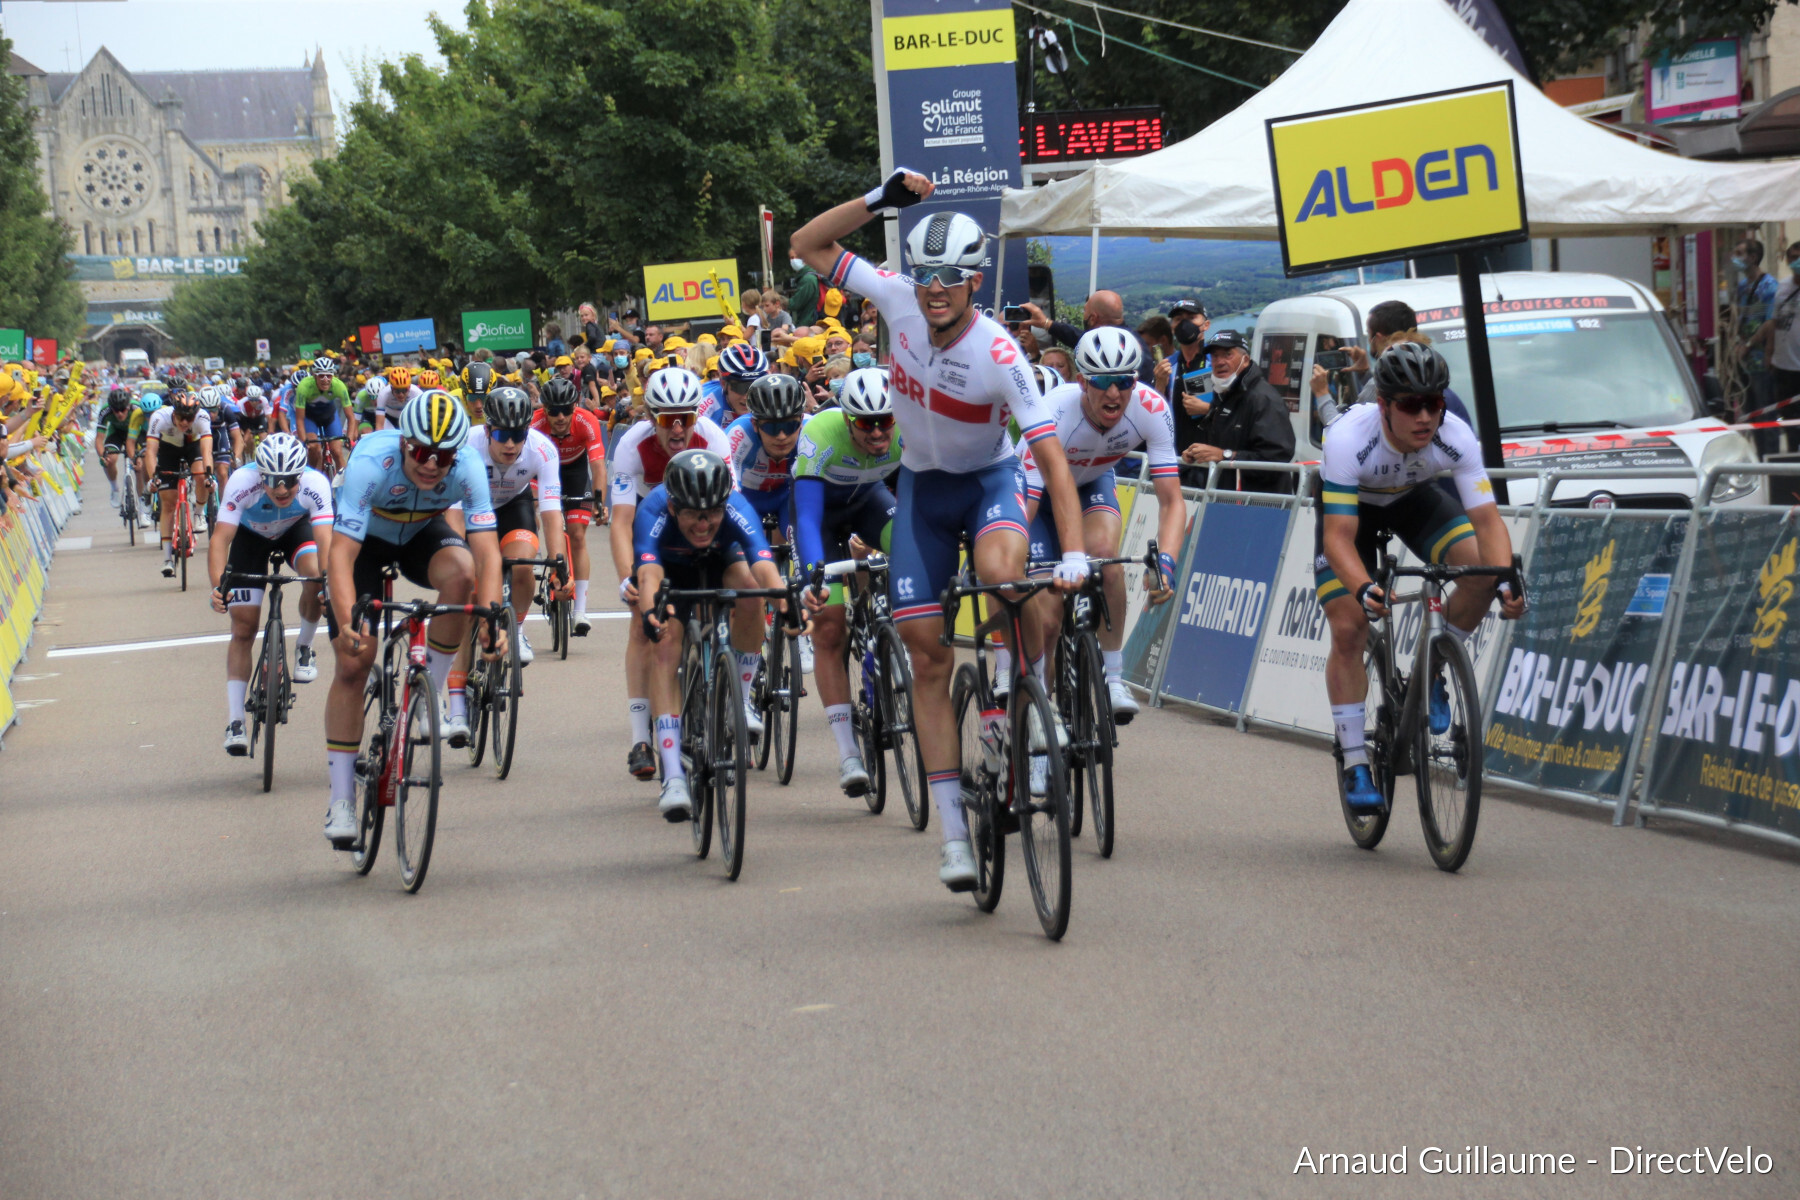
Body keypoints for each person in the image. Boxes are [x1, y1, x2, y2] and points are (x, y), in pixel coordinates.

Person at [791, 169, 1089, 893]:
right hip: (921, 492)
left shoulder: (999, 354)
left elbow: (1050, 459)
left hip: (988, 485)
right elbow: (805, 243)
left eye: (951, 278)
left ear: (976, 282)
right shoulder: (893, 298)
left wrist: (1076, 550)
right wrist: (878, 200)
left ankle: (1029, 700)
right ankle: (954, 832)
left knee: (1006, 580)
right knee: (926, 658)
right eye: (925, 276)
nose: (934, 289)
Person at [1316, 343, 1525, 810]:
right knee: (1349, 626)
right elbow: (1338, 538)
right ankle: (1354, 762)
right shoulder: (1349, 438)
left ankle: (1430, 672)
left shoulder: (1455, 434)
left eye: (1435, 402)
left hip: (1414, 498)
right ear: (1384, 405)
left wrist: (1506, 578)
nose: (1426, 416)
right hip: (1354, 512)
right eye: (1411, 405)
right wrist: (1363, 587)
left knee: (1481, 574)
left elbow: (1488, 522)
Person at [324, 389, 505, 844]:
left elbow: (486, 551)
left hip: (421, 533)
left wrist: (490, 617)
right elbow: (340, 557)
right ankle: (341, 800)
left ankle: (430, 696)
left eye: (442, 457)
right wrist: (348, 622)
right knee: (353, 663)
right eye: (422, 452)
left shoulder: (466, 468)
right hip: (365, 542)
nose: (431, 465)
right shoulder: (372, 463)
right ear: (404, 443)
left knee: (463, 574)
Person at [1020, 328, 1185, 722]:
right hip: (1036, 494)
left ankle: (1113, 679)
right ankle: (1041, 718)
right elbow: (1026, 502)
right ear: (1082, 382)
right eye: (1103, 382)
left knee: (1106, 560)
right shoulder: (1055, 411)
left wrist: (1166, 562)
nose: (1115, 393)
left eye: (1124, 381)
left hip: (1093, 481)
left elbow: (1172, 501)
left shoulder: (1151, 407)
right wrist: (1008, 554)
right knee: (1047, 618)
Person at [632, 448, 792, 818]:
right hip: (671, 569)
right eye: (692, 513)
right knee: (665, 643)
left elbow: (763, 561)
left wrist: (783, 601)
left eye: (713, 513)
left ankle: (743, 695)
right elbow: (648, 574)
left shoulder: (736, 506)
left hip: (722, 560)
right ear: (673, 508)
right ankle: (672, 775)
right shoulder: (653, 510)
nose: (703, 523)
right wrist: (651, 609)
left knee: (752, 592)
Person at [608, 366, 733, 780]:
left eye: (686, 417)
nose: (677, 428)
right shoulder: (631, 446)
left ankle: (721, 706)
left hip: (701, 523)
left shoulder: (713, 439)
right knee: (643, 625)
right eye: (666, 419)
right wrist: (630, 577)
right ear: (650, 418)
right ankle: (641, 738)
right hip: (654, 527)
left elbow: (733, 511)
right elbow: (623, 522)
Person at [795, 369, 903, 795]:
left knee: (912, 553)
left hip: (870, 503)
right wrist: (813, 577)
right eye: (865, 423)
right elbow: (805, 515)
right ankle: (848, 754)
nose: (877, 432)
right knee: (830, 626)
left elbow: (915, 501)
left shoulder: (904, 429)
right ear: (847, 420)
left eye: (885, 421)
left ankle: (891, 637)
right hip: (820, 516)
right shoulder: (822, 431)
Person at [209, 433, 333, 754]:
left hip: (295, 531)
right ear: (260, 475)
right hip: (250, 538)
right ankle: (236, 720)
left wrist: (330, 583)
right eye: (274, 481)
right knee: (244, 627)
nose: (281, 489)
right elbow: (221, 539)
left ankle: (304, 646)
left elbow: (325, 542)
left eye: (290, 481)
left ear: (300, 476)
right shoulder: (241, 481)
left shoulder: (315, 484)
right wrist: (217, 586)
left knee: (316, 576)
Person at [450, 384, 565, 671]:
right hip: (472, 510)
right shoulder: (465, 447)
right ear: (488, 430)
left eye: (518, 435)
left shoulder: (543, 450)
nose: (511, 444)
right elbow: (451, 513)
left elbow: (551, 513)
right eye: (502, 435)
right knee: (470, 583)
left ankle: (518, 630)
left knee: (523, 566)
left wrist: (559, 564)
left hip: (515, 505)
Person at [532, 376, 609, 634]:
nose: (561, 416)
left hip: (575, 473)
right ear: (544, 410)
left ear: (575, 406)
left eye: (567, 409)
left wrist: (599, 502)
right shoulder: (536, 424)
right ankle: (531, 556)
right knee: (531, 510)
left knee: (577, 535)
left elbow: (598, 466)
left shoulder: (586, 421)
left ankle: (580, 612)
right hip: (541, 471)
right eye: (554, 411)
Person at [1178, 330, 1295, 493]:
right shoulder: (1223, 394)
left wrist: (1225, 455)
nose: (1219, 362)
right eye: (1215, 356)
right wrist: (1197, 454)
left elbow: (1276, 458)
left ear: (1245, 360)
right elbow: (1221, 446)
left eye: (1227, 354)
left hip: (1262, 504)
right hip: (1224, 497)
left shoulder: (1263, 398)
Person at [145, 385, 215, 576]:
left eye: (189, 418)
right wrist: (154, 479)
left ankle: (199, 514)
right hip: (169, 450)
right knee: (168, 503)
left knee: (200, 476)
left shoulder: (202, 418)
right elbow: (151, 452)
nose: (185, 422)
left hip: (192, 446)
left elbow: (207, 451)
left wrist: (209, 476)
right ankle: (167, 558)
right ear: (173, 412)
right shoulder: (159, 417)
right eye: (181, 417)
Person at [1021, 290, 1156, 385]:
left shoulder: (1111, 345)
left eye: (1085, 311)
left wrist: (1046, 323)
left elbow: (1082, 339)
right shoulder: (1134, 342)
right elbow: (1079, 337)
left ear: (1093, 318)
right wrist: (1047, 324)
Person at [294, 356, 353, 472]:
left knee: (337, 452)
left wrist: (349, 438)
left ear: (333, 376)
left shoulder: (339, 386)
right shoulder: (304, 386)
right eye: (321, 375)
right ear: (314, 375)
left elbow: (350, 417)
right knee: (314, 448)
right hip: (310, 418)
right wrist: (303, 441)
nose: (325, 379)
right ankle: (311, 476)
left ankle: (344, 486)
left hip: (329, 417)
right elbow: (299, 419)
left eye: (329, 375)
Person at [788, 256, 825, 326]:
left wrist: (777, 299)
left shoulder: (808, 280)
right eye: (791, 258)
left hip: (808, 322)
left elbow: (795, 304)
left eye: (795, 257)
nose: (792, 260)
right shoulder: (812, 275)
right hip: (812, 320)